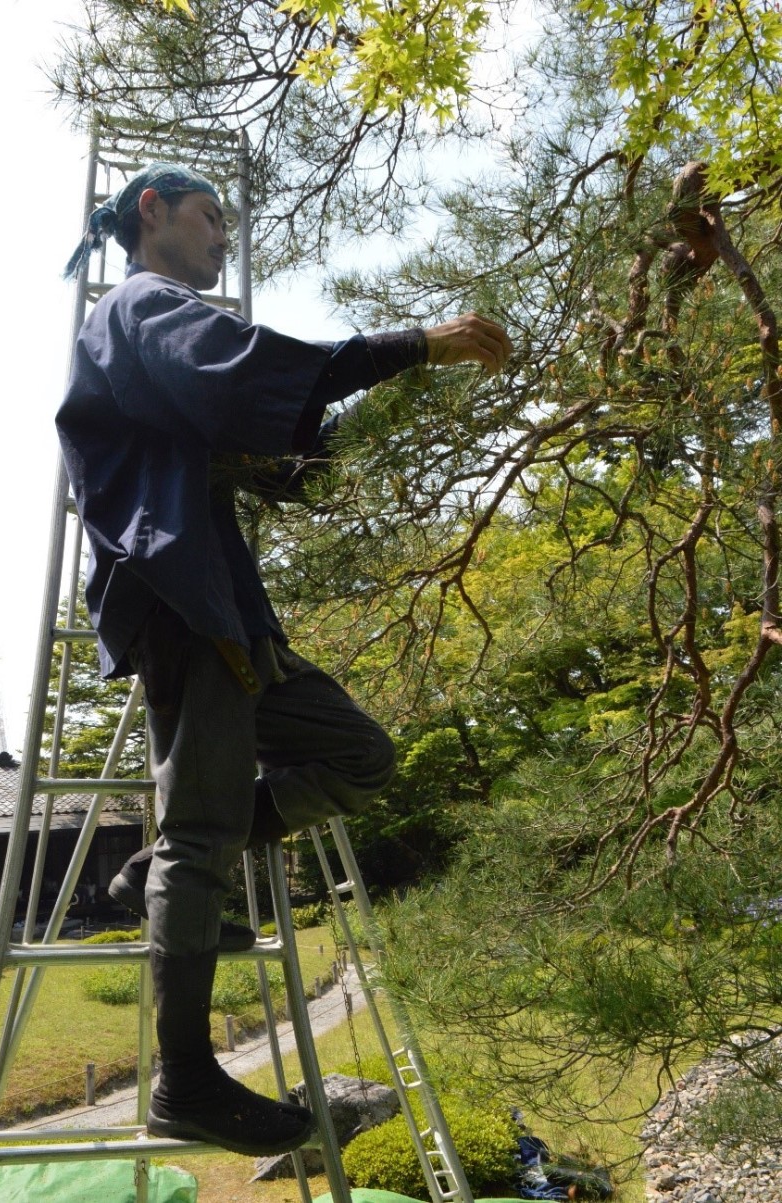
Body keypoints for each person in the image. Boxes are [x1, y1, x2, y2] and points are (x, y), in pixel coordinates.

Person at [56, 162, 512, 1159]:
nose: (223, 236)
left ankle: (157, 875)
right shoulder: (143, 303)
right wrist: (413, 347)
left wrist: (348, 423)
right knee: (203, 828)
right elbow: (253, 369)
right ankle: (182, 1078)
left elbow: (272, 437)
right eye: (210, 217)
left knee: (358, 755)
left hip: (230, 609)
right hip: (185, 603)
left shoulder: (155, 345)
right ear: (153, 213)